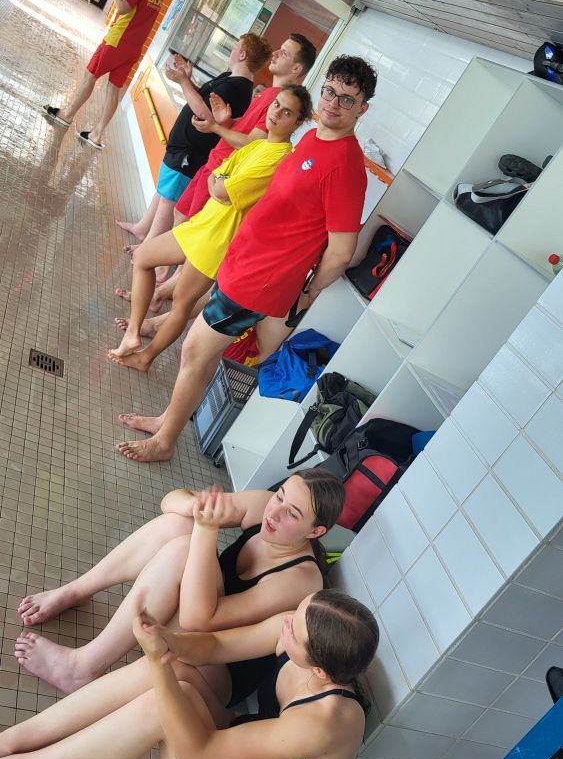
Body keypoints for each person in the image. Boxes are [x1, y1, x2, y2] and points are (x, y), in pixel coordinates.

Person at [115, 55, 377, 462]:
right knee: (203, 353)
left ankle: (165, 442)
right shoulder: (312, 139)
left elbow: (341, 251)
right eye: (330, 91)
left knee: (194, 349)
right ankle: (168, 421)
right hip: (245, 263)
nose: (333, 103)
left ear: (362, 109)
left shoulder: (346, 166)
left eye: (347, 99)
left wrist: (308, 292)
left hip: (262, 280)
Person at [0, 589, 379, 759]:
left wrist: (159, 661)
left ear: (320, 671)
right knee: (176, 667)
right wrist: (168, 641)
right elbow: (215, 646)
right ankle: (15, 740)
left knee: (161, 701)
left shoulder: (324, 723)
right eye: (295, 611)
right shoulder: (299, 633)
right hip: (235, 750)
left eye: (294, 629)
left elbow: (196, 751)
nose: (285, 623)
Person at [15, 471, 344, 697]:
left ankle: (81, 668)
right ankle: (76, 591)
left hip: (216, 669)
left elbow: (198, 620)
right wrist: (196, 509)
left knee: (186, 547)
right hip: (193, 626)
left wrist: (206, 529)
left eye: (292, 514)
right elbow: (171, 500)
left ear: (315, 532)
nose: (275, 512)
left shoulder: (299, 579)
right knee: (179, 525)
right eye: (280, 496)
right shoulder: (265, 506)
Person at [107, 85, 313, 370]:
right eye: (276, 104)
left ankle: (145, 357)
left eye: (287, 112)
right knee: (142, 258)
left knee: (181, 303)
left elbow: (222, 189)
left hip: (219, 237)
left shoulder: (279, 158)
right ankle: (133, 334)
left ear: (298, 123)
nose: (275, 113)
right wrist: (220, 181)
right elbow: (216, 175)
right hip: (203, 224)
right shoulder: (257, 145)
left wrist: (220, 181)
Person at [115, 34, 315, 248]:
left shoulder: (273, 98)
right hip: (213, 162)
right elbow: (244, 127)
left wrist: (215, 125)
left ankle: (150, 256)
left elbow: (251, 142)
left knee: (186, 220)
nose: (275, 54)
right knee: (180, 214)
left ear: (296, 68)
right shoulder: (268, 94)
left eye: (283, 53)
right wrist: (226, 121)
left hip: (219, 168)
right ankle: (154, 256)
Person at [42, 0, 165, 148]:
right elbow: (133, 7)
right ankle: (97, 134)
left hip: (117, 41)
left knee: (90, 75)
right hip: (134, 49)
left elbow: (123, 9)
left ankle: (67, 114)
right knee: (113, 89)